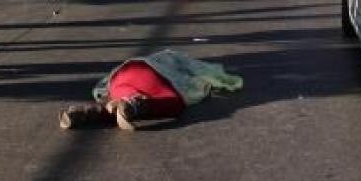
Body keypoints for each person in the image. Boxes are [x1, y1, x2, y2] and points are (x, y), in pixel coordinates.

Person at [59, 49, 243, 131]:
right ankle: (131, 104)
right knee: (175, 104)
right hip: (147, 82)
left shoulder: (157, 59)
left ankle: (94, 111)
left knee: (122, 98)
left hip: (122, 79)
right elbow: (208, 75)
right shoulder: (177, 62)